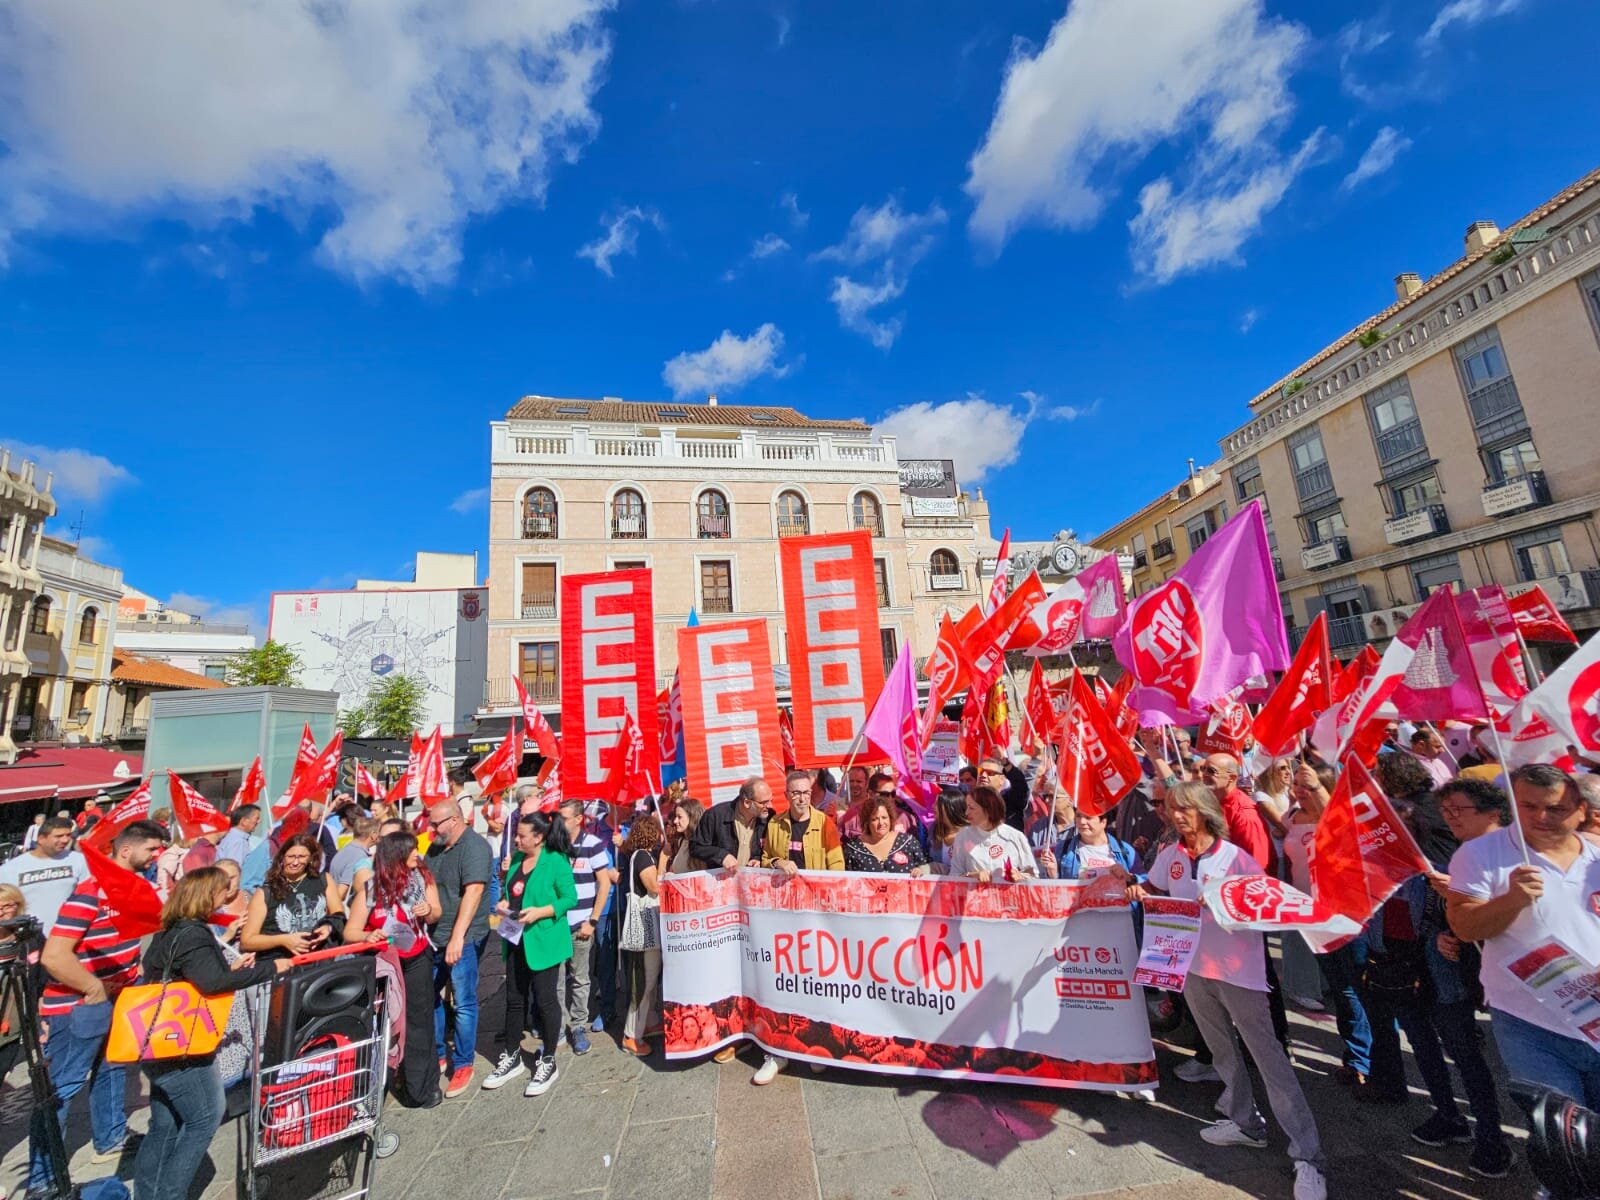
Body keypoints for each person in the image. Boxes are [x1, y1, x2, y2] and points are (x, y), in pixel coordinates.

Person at [1130, 784, 1326, 1200]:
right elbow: (1156, 889)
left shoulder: (1236, 858)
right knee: (1222, 1054)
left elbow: (1265, 905)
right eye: (1173, 809)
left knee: (1269, 1060)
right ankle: (1246, 1124)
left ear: (1205, 812)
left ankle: (1308, 1156)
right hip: (1194, 970)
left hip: (1240, 974)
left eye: (1186, 809)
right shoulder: (1173, 855)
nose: (1178, 816)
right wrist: (1133, 885)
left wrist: (1222, 899)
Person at [1448, 763, 1600, 1111]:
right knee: (1560, 1135)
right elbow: (1465, 927)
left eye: (1555, 809)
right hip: (1529, 1023)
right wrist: (1513, 899)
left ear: (1581, 813)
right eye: (1528, 806)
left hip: (1595, 1017)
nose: (1540, 817)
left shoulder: (1596, 859)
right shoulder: (1480, 855)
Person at [131, 868, 288, 1200]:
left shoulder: (168, 932)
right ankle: (169, 1195)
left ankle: (149, 1193)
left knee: (164, 1125)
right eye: (221, 891)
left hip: (158, 1041)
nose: (225, 896)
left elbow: (193, 976)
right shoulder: (193, 934)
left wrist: (228, 968)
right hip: (183, 1045)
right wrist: (270, 967)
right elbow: (211, 983)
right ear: (206, 895)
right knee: (204, 1118)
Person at [28, 819, 166, 1195]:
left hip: (116, 996)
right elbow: (54, 956)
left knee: (111, 1071)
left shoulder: (131, 890)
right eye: (152, 849)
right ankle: (42, 1178)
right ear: (125, 851)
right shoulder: (89, 893)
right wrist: (91, 987)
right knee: (62, 1087)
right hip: (78, 1006)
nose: (158, 856)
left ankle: (110, 1137)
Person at [753, 773, 843, 1085]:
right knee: (782, 981)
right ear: (786, 794)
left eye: (805, 792)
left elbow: (838, 869)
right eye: (795, 793)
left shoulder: (826, 824)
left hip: (814, 918)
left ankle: (816, 1047)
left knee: (815, 983)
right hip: (782, 916)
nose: (801, 798)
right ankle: (778, 1052)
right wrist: (777, 862)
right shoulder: (775, 825)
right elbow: (763, 862)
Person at [346, 831, 443, 1108]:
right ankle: (391, 1075)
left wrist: (428, 911)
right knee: (391, 1023)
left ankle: (423, 1085)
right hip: (387, 964)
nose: (418, 854)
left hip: (417, 958)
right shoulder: (371, 887)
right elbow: (351, 930)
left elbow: (437, 912)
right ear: (397, 855)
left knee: (419, 1020)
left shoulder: (422, 878)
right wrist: (367, 936)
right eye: (412, 851)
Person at [484, 811, 575, 1097]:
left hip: (544, 940)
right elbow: (512, 893)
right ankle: (511, 1056)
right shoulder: (517, 861)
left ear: (538, 837)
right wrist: (503, 905)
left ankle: (548, 1058)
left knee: (546, 1000)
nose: (516, 839)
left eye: (522, 836)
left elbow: (568, 898)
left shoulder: (555, 860)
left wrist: (541, 912)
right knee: (514, 999)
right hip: (515, 939)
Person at [425, 796, 494, 1098]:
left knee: (463, 1000)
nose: (430, 829)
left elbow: (474, 892)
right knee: (430, 995)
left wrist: (457, 937)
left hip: (464, 936)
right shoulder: (436, 846)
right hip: (434, 934)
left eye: (435, 823)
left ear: (454, 819)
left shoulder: (475, 847)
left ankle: (463, 1062)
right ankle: (439, 1052)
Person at [558, 798, 616, 1056]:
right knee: (557, 980)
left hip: (581, 923)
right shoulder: (553, 846)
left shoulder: (593, 845)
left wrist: (592, 920)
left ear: (578, 819)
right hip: (555, 923)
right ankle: (558, 1026)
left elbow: (603, 883)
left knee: (580, 978)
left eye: (564, 818)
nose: (559, 823)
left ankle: (578, 1024)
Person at [241, 833, 343, 961]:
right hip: (282, 962)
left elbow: (338, 915)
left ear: (311, 858)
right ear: (282, 857)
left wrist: (328, 927)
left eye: (301, 857)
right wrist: (283, 940)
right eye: (291, 856)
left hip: (318, 959)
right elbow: (247, 941)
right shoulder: (266, 892)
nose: (295, 862)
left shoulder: (323, 880)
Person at [618, 814, 664, 1057]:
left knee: (649, 978)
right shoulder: (644, 857)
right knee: (644, 982)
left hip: (647, 926)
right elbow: (654, 887)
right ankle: (631, 1035)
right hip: (646, 926)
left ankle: (648, 1021)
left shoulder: (636, 855)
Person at [0, 815, 88, 933]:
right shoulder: (10, 869)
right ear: (41, 839)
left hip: (69, 935)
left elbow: (87, 896)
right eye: (59, 836)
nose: (65, 840)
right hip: (29, 938)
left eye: (68, 835)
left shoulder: (79, 860)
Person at [949, 785, 1037, 881]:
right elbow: (954, 875)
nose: (966, 812)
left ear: (988, 810)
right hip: (975, 895)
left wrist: (1020, 876)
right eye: (967, 807)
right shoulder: (963, 836)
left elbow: (1033, 876)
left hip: (1007, 895)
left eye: (971, 808)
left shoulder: (1015, 836)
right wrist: (972, 876)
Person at [1040, 807, 1139, 884]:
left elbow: (1146, 884)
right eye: (1078, 815)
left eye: (1088, 817)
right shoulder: (1064, 848)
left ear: (1103, 822)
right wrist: (1053, 874)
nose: (1082, 822)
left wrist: (1129, 877)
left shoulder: (1126, 850)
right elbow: (1058, 892)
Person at [690, 776, 770, 870]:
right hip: (721, 881)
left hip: (752, 882)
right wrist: (722, 856)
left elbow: (770, 851)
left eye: (770, 800)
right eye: (763, 802)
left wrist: (757, 859)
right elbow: (696, 847)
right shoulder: (716, 816)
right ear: (747, 803)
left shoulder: (769, 817)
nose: (769, 805)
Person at [842, 794, 929, 875]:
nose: (881, 823)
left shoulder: (908, 842)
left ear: (890, 818)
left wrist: (921, 870)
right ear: (867, 822)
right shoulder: (853, 848)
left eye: (884, 818)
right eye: (875, 819)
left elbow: (925, 866)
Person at [329, 814, 381, 905]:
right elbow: (342, 891)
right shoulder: (358, 856)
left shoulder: (346, 850)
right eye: (379, 832)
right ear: (373, 835)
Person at [977, 755, 1031, 830]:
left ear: (1002, 779)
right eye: (980, 771)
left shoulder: (1011, 801)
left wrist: (1004, 761)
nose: (983, 775)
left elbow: (1020, 785)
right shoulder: (970, 802)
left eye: (990, 773)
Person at [1026, 787, 1077, 866]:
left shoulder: (1083, 827)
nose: (1046, 800)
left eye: (1052, 797)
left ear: (1070, 800)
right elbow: (1029, 860)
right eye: (1045, 796)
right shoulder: (1038, 827)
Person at [927, 789, 969, 875]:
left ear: (950, 808)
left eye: (937, 804)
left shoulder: (970, 833)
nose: (933, 806)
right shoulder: (934, 828)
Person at [661, 797, 706, 875]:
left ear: (692, 817)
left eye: (679, 817)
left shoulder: (702, 844)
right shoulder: (682, 842)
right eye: (675, 816)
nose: (675, 821)